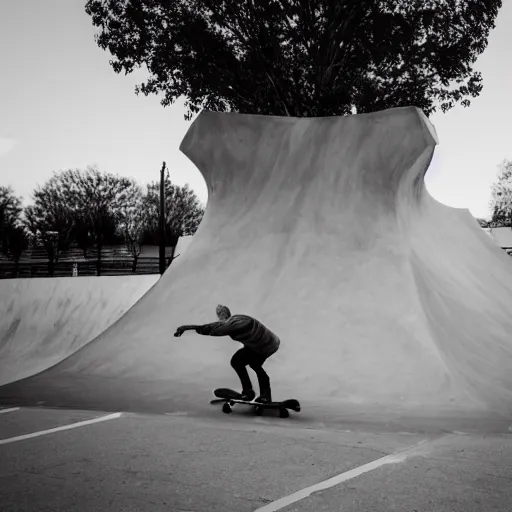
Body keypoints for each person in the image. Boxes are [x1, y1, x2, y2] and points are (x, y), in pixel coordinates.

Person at [174, 304, 280, 403]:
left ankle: (260, 395)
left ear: (224, 315)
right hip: (262, 344)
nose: (219, 319)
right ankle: (251, 393)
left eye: (220, 316)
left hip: (266, 345)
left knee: (250, 363)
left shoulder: (232, 324)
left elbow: (212, 329)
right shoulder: (236, 319)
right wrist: (188, 327)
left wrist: (188, 328)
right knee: (239, 361)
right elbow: (216, 326)